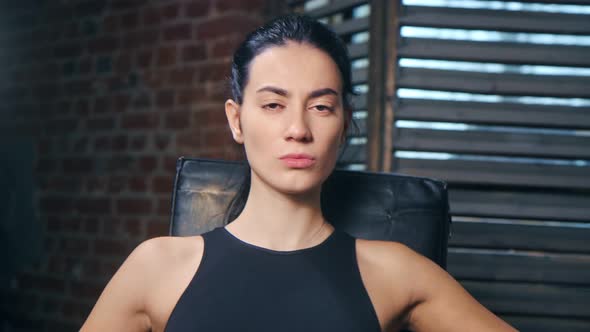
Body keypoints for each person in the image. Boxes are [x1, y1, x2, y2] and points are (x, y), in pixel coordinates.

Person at [80, 14, 518, 332]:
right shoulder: (156, 267)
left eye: (321, 107)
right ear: (236, 120)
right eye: (273, 104)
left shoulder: (397, 272)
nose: (297, 129)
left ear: (345, 123)